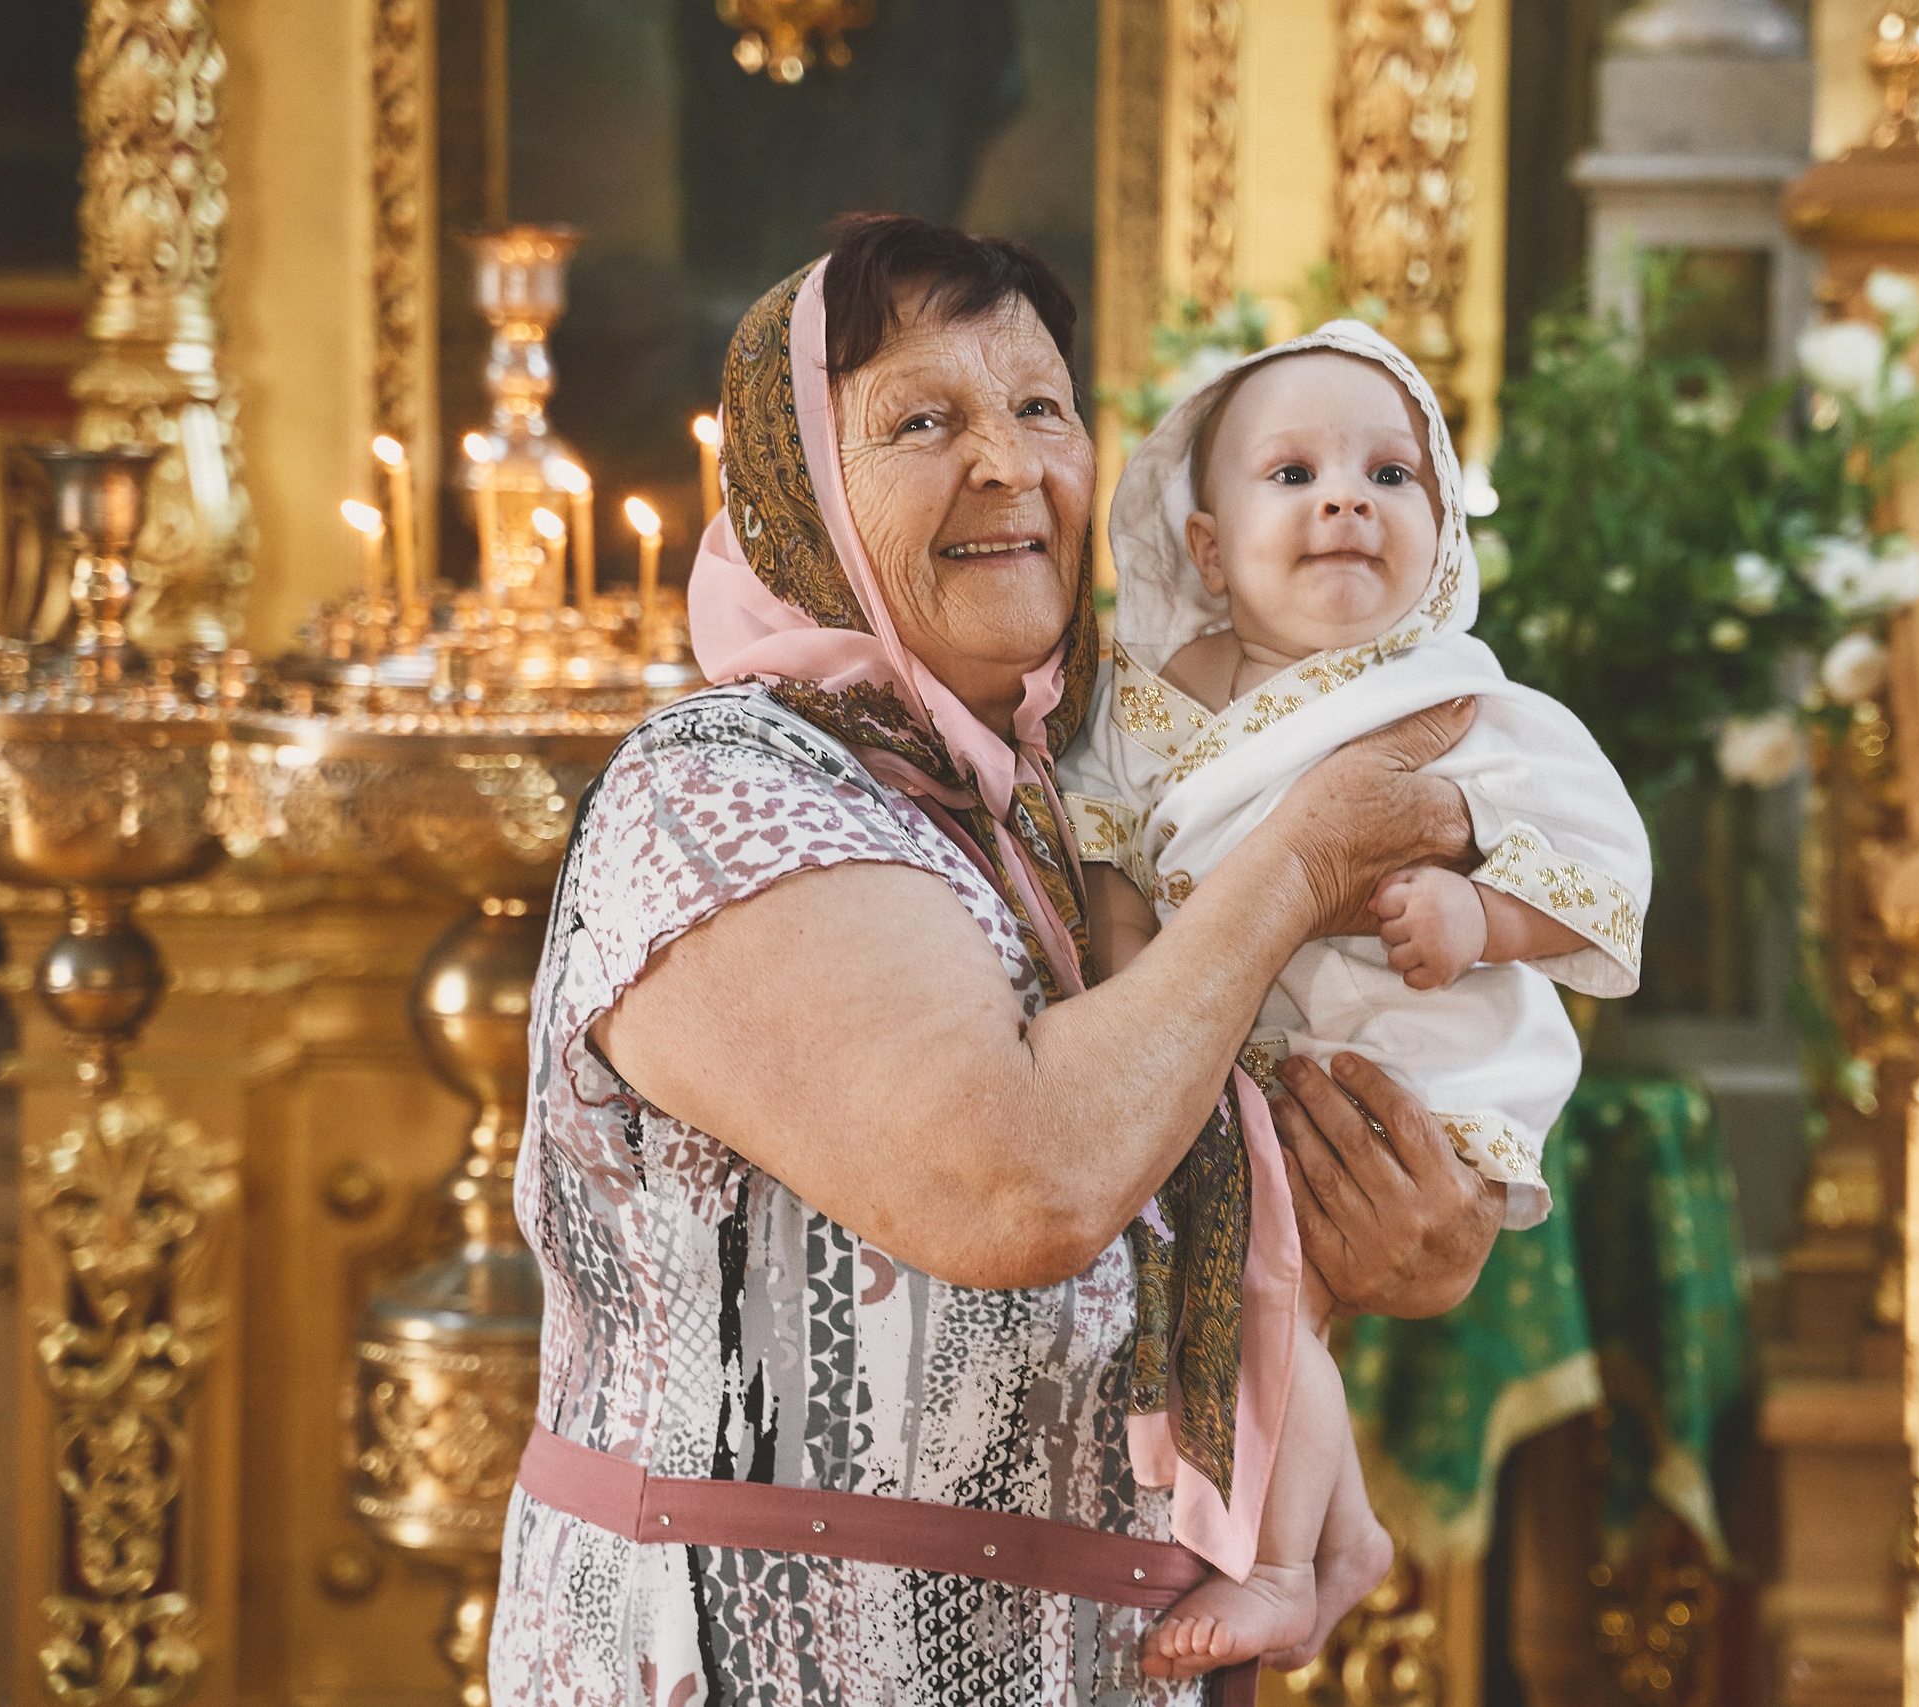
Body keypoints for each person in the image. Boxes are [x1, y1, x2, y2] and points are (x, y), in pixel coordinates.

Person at [487, 217, 1502, 1705]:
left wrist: (1383, 1237)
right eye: (923, 422)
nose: (1010, 466)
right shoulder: (717, 789)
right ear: (795, 485)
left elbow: (1171, 1208)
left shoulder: (1064, 805)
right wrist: (1300, 865)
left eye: (1040, 408)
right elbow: (1017, 1186)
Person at [1062, 322, 1649, 1676]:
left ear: (1441, 533)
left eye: (1390, 475)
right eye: (1294, 475)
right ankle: (1341, 1537)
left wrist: (1484, 913)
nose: (1346, 501)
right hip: (1229, 1053)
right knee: (1261, 1299)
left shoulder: (1460, 701)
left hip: (1402, 1058)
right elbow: (1105, 840)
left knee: (1273, 1291)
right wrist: (1134, 965)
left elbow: (1605, 868)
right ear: (1207, 549)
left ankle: (1285, 1565)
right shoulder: (1151, 699)